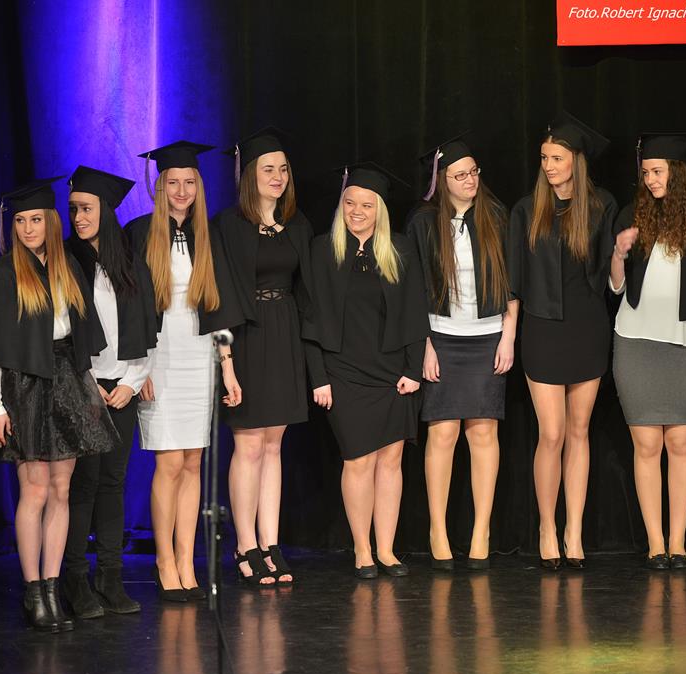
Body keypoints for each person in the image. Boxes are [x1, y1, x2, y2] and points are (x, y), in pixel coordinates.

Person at [0, 179, 117, 633]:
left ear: (51, 222)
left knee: (61, 490)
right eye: (20, 221)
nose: (27, 228)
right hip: (25, 385)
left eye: (36, 219)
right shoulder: (5, 274)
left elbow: (79, 336)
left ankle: (53, 586)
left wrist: (89, 385)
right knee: (35, 490)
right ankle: (33, 591)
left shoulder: (67, 267)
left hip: (67, 380)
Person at [125, 141, 242, 600]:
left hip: (198, 355)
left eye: (189, 182)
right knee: (169, 461)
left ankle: (187, 557)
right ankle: (164, 560)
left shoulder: (208, 235)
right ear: (159, 187)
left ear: (198, 186)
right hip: (158, 354)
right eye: (172, 182)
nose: (181, 190)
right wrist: (138, 369)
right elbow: (128, 309)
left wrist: (227, 368)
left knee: (193, 460)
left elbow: (220, 308)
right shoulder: (138, 233)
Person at [304, 163, 429, 578]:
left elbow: (414, 313)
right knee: (358, 460)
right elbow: (309, 317)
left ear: (380, 210)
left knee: (391, 461)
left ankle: (387, 550)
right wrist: (319, 377)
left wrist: (413, 369)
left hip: (393, 372)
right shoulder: (323, 250)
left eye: (366, 205)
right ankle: (362, 550)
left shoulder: (400, 249)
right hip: (343, 372)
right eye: (350, 203)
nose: (356, 211)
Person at [507, 113, 617, 569]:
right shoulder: (526, 210)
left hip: (587, 329)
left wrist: (622, 254)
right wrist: (508, 337)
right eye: (544, 158)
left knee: (578, 431)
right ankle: (547, 528)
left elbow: (611, 277)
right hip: (543, 329)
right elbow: (514, 282)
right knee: (550, 434)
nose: (549, 166)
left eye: (556, 158)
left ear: (576, 161)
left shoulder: (602, 205)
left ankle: (574, 530)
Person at [407, 136, 517, 570]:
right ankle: (438, 530)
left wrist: (508, 336)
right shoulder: (423, 222)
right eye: (460, 175)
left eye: (474, 172)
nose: (470, 180)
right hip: (441, 337)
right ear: (442, 180)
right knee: (443, 434)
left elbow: (512, 282)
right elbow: (413, 288)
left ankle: (480, 531)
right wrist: (425, 345)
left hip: (488, 336)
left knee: (483, 433)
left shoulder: (496, 216)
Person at [216, 127, 314, 586]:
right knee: (249, 445)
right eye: (268, 169)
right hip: (246, 337)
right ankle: (245, 544)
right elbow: (219, 296)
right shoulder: (228, 225)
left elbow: (306, 290)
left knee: (274, 444)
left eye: (283, 170)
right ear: (249, 175)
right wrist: (227, 362)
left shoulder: (298, 224)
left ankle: (270, 543)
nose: (277, 177)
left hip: (285, 333)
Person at [62, 167, 157, 617]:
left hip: (122, 389)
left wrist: (131, 384)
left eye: (86, 209)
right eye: (73, 210)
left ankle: (111, 578)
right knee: (83, 486)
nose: (78, 218)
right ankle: (75, 580)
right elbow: (60, 334)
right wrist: (88, 386)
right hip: (82, 387)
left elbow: (148, 329)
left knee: (113, 484)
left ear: (105, 210)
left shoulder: (130, 263)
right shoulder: (66, 262)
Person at [609, 134, 686, 570]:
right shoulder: (633, 215)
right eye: (645, 172)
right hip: (636, 342)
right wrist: (618, 253)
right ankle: (655, 543)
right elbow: (615, 287)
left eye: (657, 171)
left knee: (682, 441)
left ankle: (678, 542)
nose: (649, 179)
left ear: (678, 174)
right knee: (647, 443)